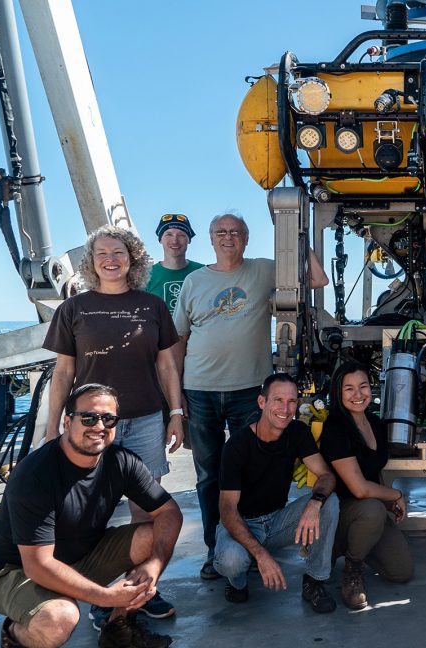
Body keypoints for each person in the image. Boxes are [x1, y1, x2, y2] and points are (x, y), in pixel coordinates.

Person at [172, 212, 329, 580]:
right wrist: (176, 394)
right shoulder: (194, 281)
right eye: (221, 232)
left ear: (246, 237)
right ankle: (217, 551)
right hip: (200, 391)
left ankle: (252, 544)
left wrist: (298, 235)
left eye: (236, 232)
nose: (229, 237)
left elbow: (318, 279)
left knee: (256, 471)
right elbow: (179, 339)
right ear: (210, 239)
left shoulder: (263, 270)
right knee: (209, 476)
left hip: (249, 392)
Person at [43, 224, 185, 621]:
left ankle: (142, 586)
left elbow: (167, 365)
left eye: (119, 252)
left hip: (144, 419)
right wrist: (52, 425)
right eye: (102, 253)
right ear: (91, 262)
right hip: (90, 423)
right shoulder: (74, 309)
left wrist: (175, 412)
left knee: (146, 508)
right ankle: (94, 592)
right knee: (85, 509)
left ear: (133, 259)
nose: (111, 259)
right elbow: (63, 372)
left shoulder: (152, 306)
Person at [0, 384, 182, 648]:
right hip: (17, 572)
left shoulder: (121, 461)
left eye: (108, 419)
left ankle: (119, 629)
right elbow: (38, 565)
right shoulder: (36, 475)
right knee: (59, 619)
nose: (99, 426)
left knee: (154, 535)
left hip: (80, 558)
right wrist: (106, 596)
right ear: (67, 421)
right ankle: (16, 638)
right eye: (88, 417)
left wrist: (154, 565)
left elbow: (169, 512)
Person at [214, 373, 341, 613]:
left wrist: (315, 503)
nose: (285, 408)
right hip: (240, 523)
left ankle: (315, 581)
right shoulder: (237, 445)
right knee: (233, 560)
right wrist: (262, 556)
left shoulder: (297, 432)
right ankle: (237, 582)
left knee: (329, 502)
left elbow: (326, 475)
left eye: (292, 401)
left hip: (276, 521)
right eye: (278, 400)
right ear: (262, 402)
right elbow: (228, 512)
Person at [319, 360, 412, 609]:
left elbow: (374, 471)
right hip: (338, 514)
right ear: (338, 393)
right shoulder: (335, 428)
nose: (358, 395)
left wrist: (387, 504)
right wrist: (394, 495)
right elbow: (359, 488)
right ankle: (352, 569)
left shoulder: (374, 422)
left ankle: (363, 540)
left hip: (366, 512)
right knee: (372, 509)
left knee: (401, 571)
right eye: (349, 389)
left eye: (363, 386)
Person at [144, 213, 204, 315]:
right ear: (160, 240)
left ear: (189, 240)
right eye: (169, 234)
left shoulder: (203, 273)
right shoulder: (146, 276)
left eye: (181, 235)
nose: (175, 241)